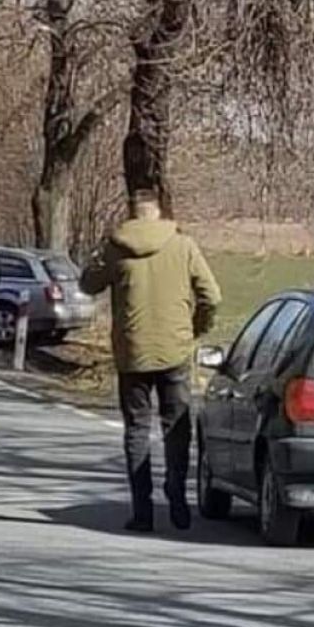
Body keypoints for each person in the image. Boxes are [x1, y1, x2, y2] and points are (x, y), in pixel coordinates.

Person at [80, 189, 221, 534]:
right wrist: (196, 328)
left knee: (137, 429)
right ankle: (176, 489)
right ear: (159, 213)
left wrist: (99, 252)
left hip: (132, 354)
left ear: (131, 214)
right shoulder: (183, 245)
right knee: (176, 427)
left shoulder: (116, 249)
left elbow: (87, 284)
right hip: (175, 350)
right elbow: (212, 296)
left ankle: (142, 510)